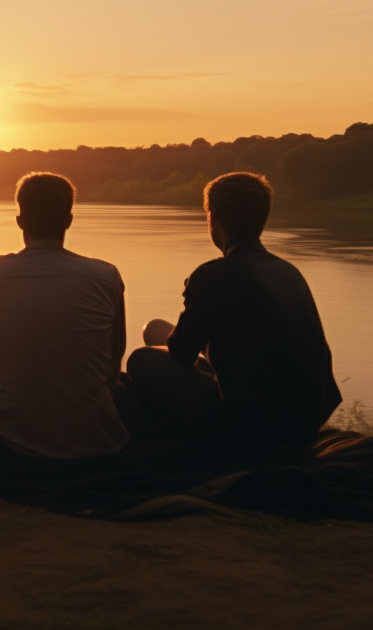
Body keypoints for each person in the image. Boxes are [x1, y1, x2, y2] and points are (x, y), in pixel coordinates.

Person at [127, 172, 342, 451]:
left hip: (247, 427)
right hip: (305, 423)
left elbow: (181, 352)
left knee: (141, 360)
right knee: (155, 328)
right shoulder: (289, 272)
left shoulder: (211, 275)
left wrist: (193, 301)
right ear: (262, 218)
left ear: (212, 218)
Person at [0, 172, 131, 460]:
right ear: (68, 220)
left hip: (7, 433)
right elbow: (113, 355)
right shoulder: (105, 275)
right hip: (94, 438)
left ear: (20, 221)